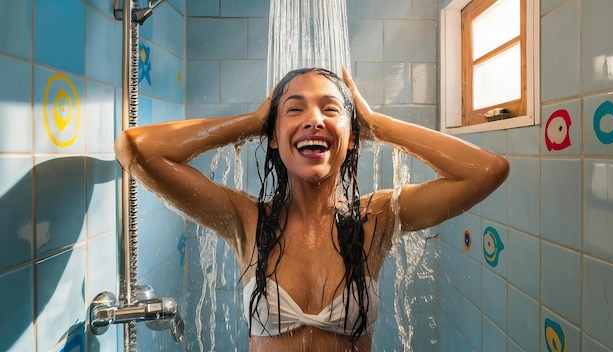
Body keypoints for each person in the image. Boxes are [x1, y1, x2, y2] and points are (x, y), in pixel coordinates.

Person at [114, 67, 509, 351]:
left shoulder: (378, 218)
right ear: (273, 137)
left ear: (352, 138)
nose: (314, 120)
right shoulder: (247, 220)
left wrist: (378, 126)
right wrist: (254, 121)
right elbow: (136, 149)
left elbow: (487, 172)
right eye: (295, 109)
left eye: (331, 110)